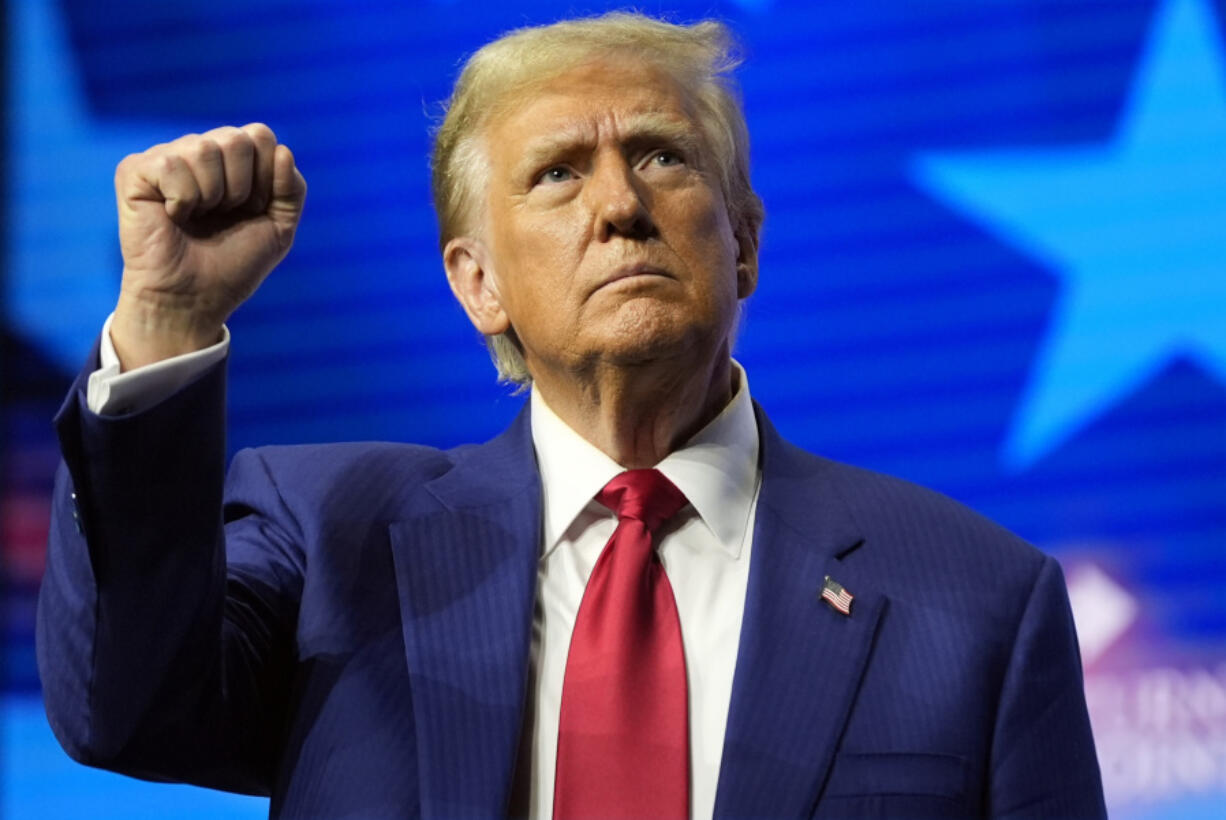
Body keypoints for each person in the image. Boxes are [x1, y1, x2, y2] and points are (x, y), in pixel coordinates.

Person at [37, 12, 1107, 820]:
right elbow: (123, 706)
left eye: (659, 154)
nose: (618, 205)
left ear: (743, 243)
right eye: (557, 173)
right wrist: (166, 317)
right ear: (476, 284)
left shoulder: (977, 602)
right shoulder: (329, 538)